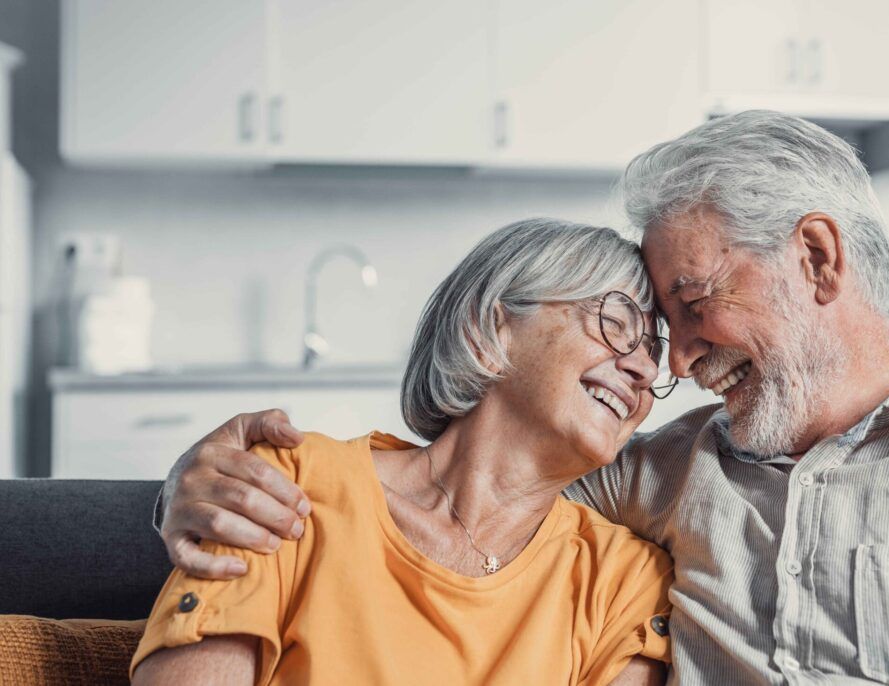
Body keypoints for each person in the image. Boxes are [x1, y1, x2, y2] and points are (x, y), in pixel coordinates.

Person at [159, 111, 889, 684]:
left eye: (687, 303)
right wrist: (188, 482)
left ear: (814, 256)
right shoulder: (651, 472)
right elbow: (464, 485)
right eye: (636, 327)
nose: (669, 362)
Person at [131, 219, 678, 686]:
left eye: (654, 353)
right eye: (616, 324)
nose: (645, 370)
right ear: (489, 329)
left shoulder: (624, 581)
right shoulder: (289, 487)